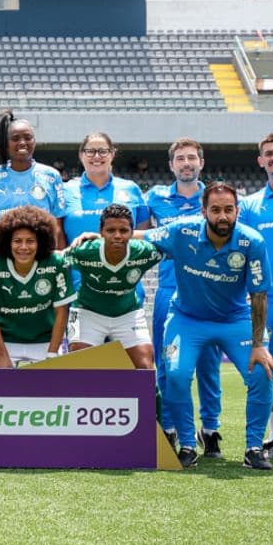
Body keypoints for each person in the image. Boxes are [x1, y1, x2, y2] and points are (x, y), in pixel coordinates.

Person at [143, 182, 273, 469]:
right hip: (187, 318)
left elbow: (259, 295)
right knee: (176, 376)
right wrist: (102, 236)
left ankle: (253, 448)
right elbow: (145, 236)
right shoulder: (182, 231)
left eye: (228, 209)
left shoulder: (251, 242)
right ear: (204, 211)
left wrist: (258, 345)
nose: (222, 216)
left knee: (263, 374)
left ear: (238, 211)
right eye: (215, 210)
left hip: (235, 319)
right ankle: (188, 444)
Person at [143, 137, 220, 452]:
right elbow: (144, 239)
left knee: (209, 364)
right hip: (170, 290)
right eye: (180, 159)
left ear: (201, 163)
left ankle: (211, 429)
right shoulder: (154, 199)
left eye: (192, 158)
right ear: (171, 165)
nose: (186, 163)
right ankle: (171, 428)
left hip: (211, 291)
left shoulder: (217, 198)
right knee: (168, 362)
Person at [64, 204, 160, 368]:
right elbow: (55, 260)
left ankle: (154, 394)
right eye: (111, 231)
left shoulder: (145, 252)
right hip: (87, 312)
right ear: (101, 232)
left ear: (132, 232)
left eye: (123, 231)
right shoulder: (84, 251)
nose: (117, 236)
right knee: (78, 368)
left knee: (145, 368)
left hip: (128, 313)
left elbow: (175, 248)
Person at [0, 206, 73, 366]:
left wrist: (52, 354)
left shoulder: (55, 263)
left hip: (45, 342)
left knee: (50, 389)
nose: (24, 247)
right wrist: (1, 354)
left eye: (30, 241)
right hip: (6, 342)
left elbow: (61, 311)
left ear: (41, 242)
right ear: (7, 242)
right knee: (0, 389)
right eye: (17, 241)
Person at [238, 133, 273, 456]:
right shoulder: (250, 206)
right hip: (265, 303)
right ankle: (271, 438)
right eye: (269, 153)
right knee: (267, 369)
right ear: (261, 161)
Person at [0, 110, 67, 246]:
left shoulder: (51, 176)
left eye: (28, 137)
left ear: (34, 141)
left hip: (43, 258)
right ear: (6, 143)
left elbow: (58, 227)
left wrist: (58, 262)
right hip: (5, 257)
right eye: (15, 138)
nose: (23, 142)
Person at [60, 132, 148, 271]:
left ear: (112, 154)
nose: (96, 156)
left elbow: (145, 238)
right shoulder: (65, 190)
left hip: (125, 281)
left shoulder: (131, 188)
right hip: (78, 284)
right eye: (90, 151)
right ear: (81, 155)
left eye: (102, 151)